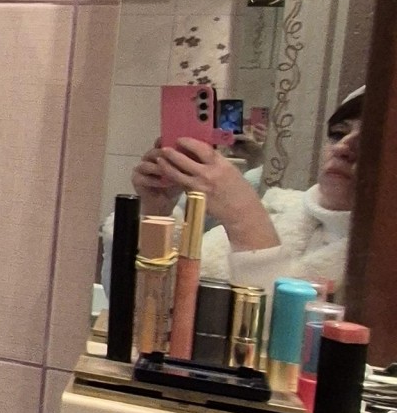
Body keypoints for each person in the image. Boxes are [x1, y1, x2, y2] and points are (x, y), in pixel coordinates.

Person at [133, 88, 361, 290]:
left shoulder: (375, 272)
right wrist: (157, 212)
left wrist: (244, 218)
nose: (342, 147)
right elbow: (168, 302)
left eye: (367, 140)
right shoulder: (277, 211)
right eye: (338, 133)